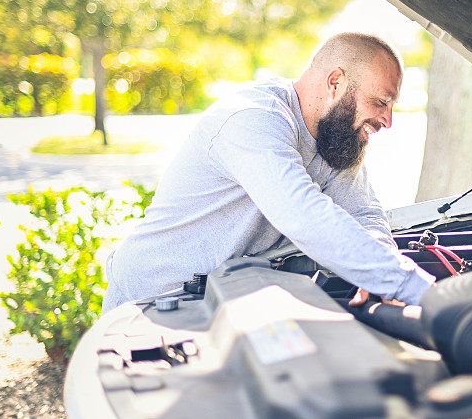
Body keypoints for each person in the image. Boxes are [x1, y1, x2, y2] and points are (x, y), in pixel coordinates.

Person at [101, 33, 435, 313]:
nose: (388, 121)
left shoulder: (335, 138)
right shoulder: (253, 119)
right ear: (335, 82)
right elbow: (304, 215)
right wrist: (422, 292)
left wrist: (382, 271)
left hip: (214, 302)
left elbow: (364, 214)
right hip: (148, 302)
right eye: (381, 102)